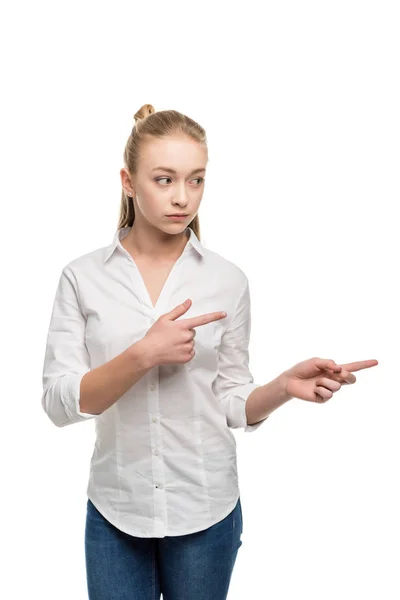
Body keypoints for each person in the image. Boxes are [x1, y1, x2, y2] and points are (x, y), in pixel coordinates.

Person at [41, 104, 379, 600]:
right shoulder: (82, 277)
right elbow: (58, 404)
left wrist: (282, 387)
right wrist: (143, 354)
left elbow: (230, 401)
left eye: (196, 180)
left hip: (206, 508)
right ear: (128, 182)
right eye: (164, 179)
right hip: (117, 509)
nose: (183, 198)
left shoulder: (227, 280)